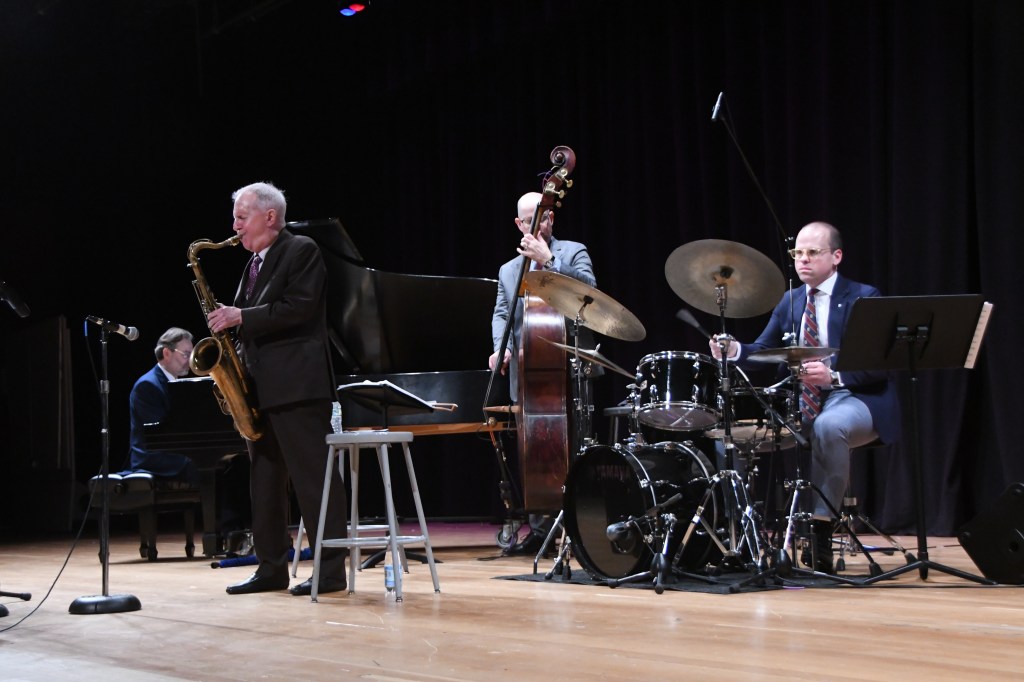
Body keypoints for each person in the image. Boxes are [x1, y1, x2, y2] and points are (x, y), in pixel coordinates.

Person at [708, 221, 900, 573]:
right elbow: (764, 351)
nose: (803, 260)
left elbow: (879, 362)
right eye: (798, 253)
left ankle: (821, 532)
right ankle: (745, 535)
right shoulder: (791, 300)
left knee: (828, 426)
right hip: (800, 401)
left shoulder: (863, 296)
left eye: (813, 252)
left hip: (853, 395)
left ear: (836, 256)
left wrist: (834, 374)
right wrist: (735, 350)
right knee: (729, 440)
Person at [207, 181, 348, 596]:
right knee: (264, 483)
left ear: (270, 216)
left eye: (241, 217)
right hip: (261, 389)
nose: (235, 226)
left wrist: (241, 317)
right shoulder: (253, 264)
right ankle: (270, 567)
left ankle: (330, 572)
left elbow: (299, 308)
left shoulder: (301, 249)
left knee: (313, 481)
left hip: (297, 387)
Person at [489, 191, 597, 556]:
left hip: (570, 371)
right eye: (532, 220)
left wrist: (548, 261)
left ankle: (580, 529)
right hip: (529, 372)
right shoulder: (508, 270)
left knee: (574, 449)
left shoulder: (573, 252)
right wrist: (501, 347)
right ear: (519, 224)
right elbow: (502, 314)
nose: (540, 224)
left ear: (553, 219)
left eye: (546, 217)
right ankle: (540, 530)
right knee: (533, 451)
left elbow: (589, 291)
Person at [127, 327, 198, 483]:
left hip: (172, 452)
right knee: (204, 468)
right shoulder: (147, 385)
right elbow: (159, 435)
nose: (190, 360)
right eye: (186, 354)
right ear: (166, 353)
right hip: (153, 459)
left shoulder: (176, 383)